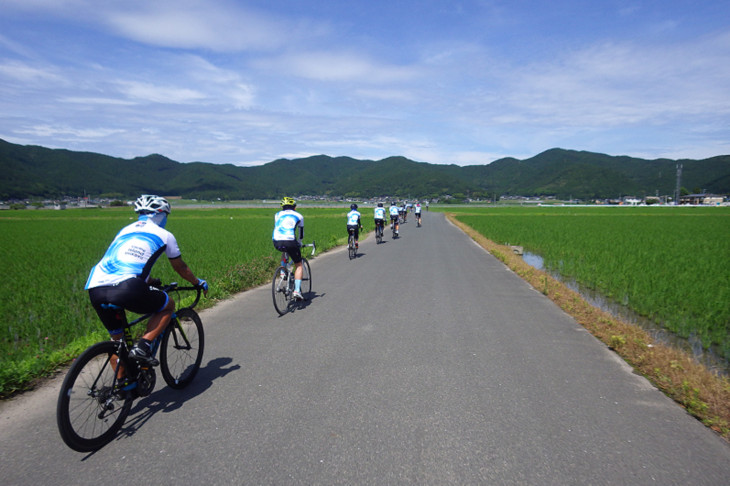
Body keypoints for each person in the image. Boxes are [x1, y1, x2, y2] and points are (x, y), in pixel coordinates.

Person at [85, 195, 208, 365]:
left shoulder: (124, 231)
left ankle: (123, 388)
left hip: (95, 287)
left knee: (117, 342)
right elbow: (180, 267)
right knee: (168, 306)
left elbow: (126, 263)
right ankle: (143, 346)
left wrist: (150, 281)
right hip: (127, 287)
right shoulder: (165, 235)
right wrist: (197, 282)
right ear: (161, 214)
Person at [272, 196, 305, 300]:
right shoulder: (299, 216)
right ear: (294, 207)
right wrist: (299, 243)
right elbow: (300, 234)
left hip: (276, 240)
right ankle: (297, 291)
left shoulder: (277, 215)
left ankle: (282, 272)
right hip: (290, 241)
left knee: (284, 250)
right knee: (298, 265)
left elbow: (278, 227)